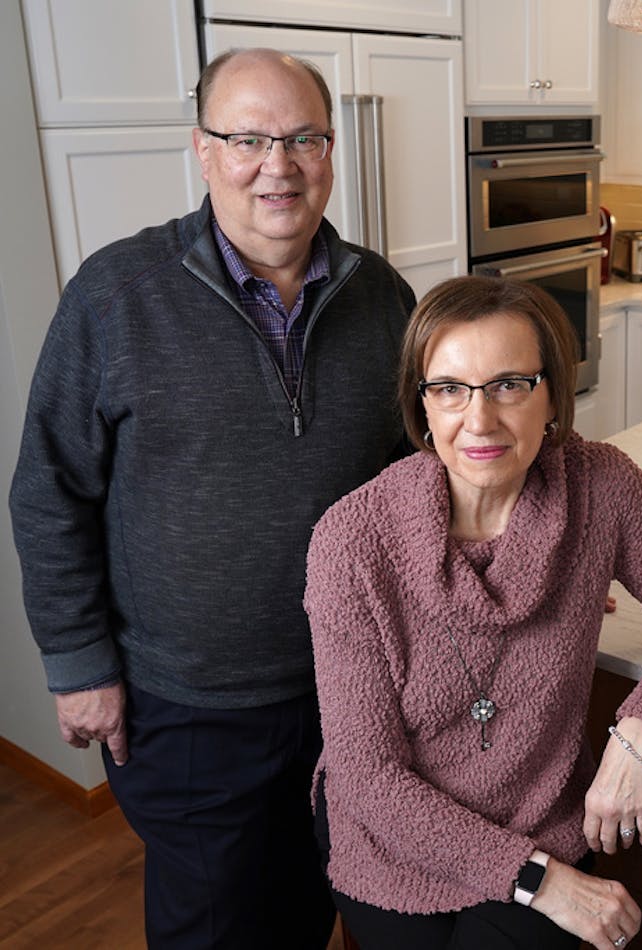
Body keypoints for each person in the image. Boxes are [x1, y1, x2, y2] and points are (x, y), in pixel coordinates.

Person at [8, 48, 416, 948]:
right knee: (214, 927)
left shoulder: (382, 296)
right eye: (248, 138)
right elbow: (49, 490)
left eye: (304, 137)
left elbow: (422, 479)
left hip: (345, 687)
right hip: (185, 707)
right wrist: (78, 662)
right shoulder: (117, 296)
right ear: (202, 150)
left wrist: (537, 544)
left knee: (312, 907)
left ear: (332, 150)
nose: (279, 164)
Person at [304, 276, 642, 950]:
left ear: (554, 397)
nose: (478, 420)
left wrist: (639, 736)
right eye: (448, 388)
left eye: (510, 384)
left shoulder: (603, 488)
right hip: (394, 844)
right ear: (422, 408)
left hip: (540, 820)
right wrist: (542, 882)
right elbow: (368, 779)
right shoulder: (352, 541)